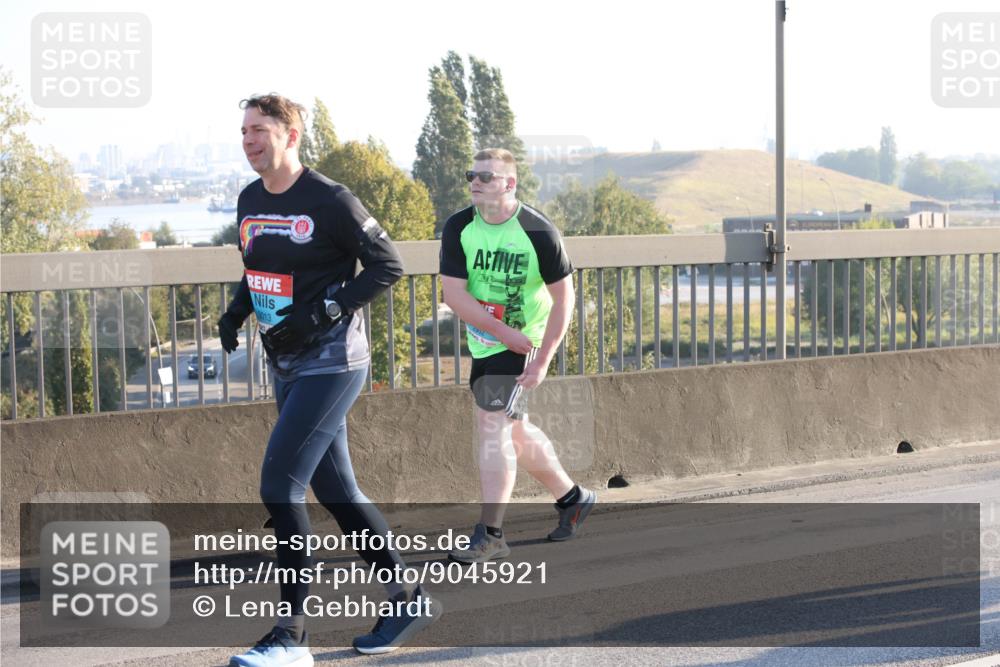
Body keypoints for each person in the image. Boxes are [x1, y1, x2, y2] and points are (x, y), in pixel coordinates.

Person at [219, 94, 440, 666]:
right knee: (337, 492)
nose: (248, 140)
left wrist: (327, 310)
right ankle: (407, 597)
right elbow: (257, 265)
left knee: (279, 486)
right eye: (243, 131)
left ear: (290, 135)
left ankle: (292, 639)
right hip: (284, 363)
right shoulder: (248, 199)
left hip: (333, 361)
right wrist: (237, 310)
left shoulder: (330, 199)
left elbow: (388, 264)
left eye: (259, 130)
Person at [439, 148, 597, 564]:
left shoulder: (538, 232)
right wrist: (499, 332)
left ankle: (490, 534)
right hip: (489, 340)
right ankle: (573, 497)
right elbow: (453, 293)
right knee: (514, 431)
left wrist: (542, 357)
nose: (476, 182)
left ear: (510, 184)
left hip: (525, 343)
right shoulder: (459, 225)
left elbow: (565, 299)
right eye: (471, 174)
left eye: (487, 177)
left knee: (493, 426)